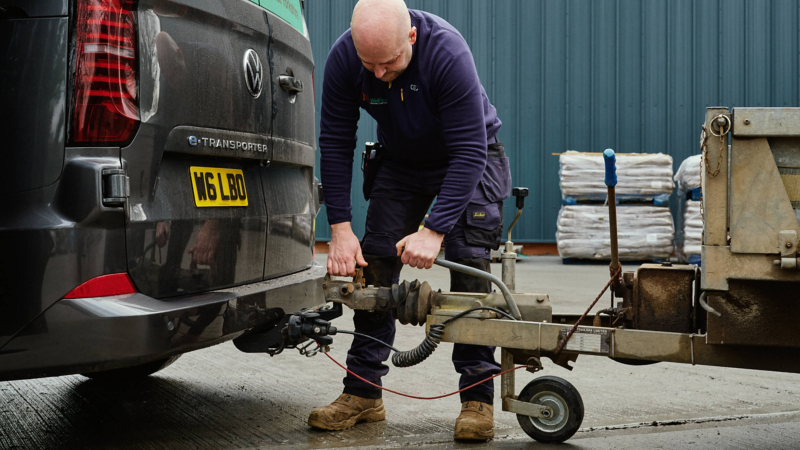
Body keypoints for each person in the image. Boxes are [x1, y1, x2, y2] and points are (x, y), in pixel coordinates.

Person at [310, 0, 511, 441]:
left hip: (467, 157)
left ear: (412, 39)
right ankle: (363, 393)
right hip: (401, 162)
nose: (379, 73)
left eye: (390, 62)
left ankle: (477, 395)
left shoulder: (446, 52)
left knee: (469, 258)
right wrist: (339, 230)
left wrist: (434, 230)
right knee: (376, 258)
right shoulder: (346, 59)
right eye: (370, 64)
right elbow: (336, 141)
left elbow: (470, 152)